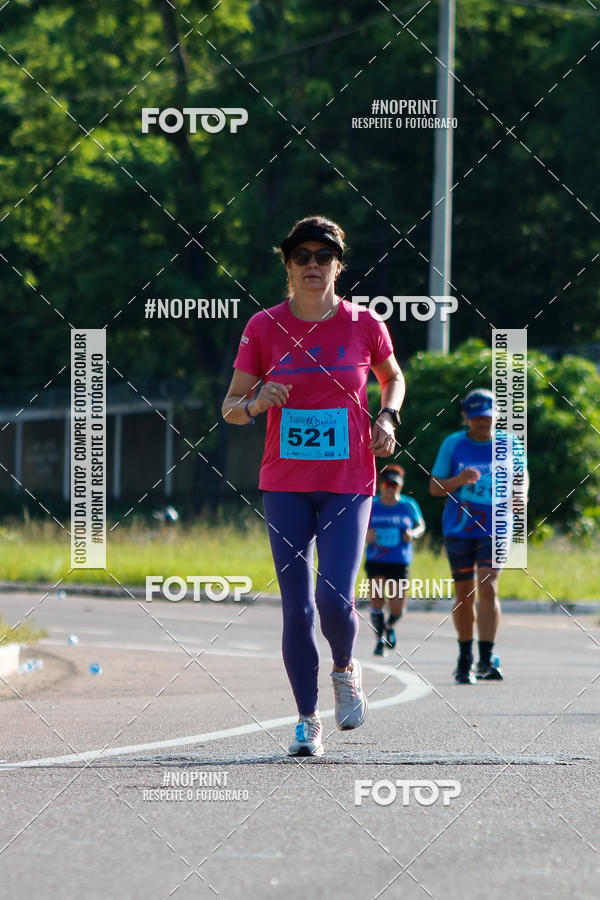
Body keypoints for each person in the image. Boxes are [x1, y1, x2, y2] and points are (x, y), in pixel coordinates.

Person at [222, 215, 405, 756]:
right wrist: (256, 402)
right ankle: (307, 719)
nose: (311, 265)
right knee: (296, 609)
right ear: (287, 264)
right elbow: (230, 408)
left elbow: (392, 376)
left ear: (338, 265)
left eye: (322, 256)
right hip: (285, 484)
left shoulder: (364, 323)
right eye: (300, 255)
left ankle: (346, 670)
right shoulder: (263, 327)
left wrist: (388, 418)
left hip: (350, 480)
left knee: (334, 598)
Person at [429, 388, 525, 684]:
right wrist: (458, 480)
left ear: (496, 415)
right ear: (465, 418)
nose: (482, 423)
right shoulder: (453, 444)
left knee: (488, 586)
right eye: (476, 418)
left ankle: (486, 659)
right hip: (459, 526)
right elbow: (434, 488)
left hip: (496, 525)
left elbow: (521, 483)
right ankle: (464, 658)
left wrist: (519, 499)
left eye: (487, 417)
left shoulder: (511, 443)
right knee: (464, 592)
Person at [365, 464, 425, 656]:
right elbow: (357, 527)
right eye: (387, 484)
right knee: (377, 599)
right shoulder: (372, 505)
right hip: (376, 559)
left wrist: (413, 534)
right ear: (381, 485)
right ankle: (379, 641)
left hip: (399, 561)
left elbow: (420, 526)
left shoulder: (408, 505)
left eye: (395, 485)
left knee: (397, 606)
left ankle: (389, 626)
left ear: (400, 486)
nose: (390, 488)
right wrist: (366, 535)